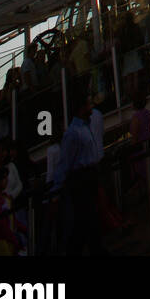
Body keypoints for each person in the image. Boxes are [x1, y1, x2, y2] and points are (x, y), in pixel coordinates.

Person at [58, 89, 103, 254]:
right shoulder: (73, 132)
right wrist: (58, 187)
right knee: (86, 218)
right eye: (88, 103)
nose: (91, 106)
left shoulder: (85, 126)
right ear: (81, 108)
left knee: (87, 219)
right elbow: (65, 162)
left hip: (89, 174)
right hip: (80, 179)